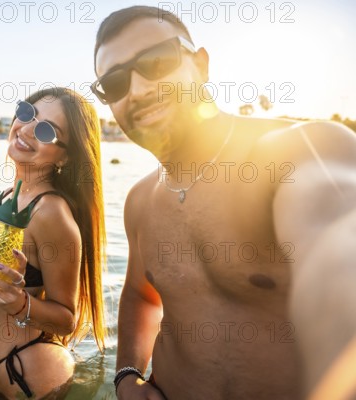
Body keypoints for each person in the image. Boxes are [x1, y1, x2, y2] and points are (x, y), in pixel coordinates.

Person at [92, 6, 356, 400]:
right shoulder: (140, 201)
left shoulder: (302, 151)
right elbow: (140, 296)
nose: (140, 89)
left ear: (200, 65)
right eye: (114, 84)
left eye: (157, 62)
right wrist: (127, 377)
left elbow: (337, 258)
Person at [0, 87, 106, 399]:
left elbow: (66, 319)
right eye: (27, 113)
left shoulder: (50, 213)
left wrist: (18, 302)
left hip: (29, 370)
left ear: (66, 155)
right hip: (1, 371)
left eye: (46, 131)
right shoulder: (8, 196)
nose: (27, 129)